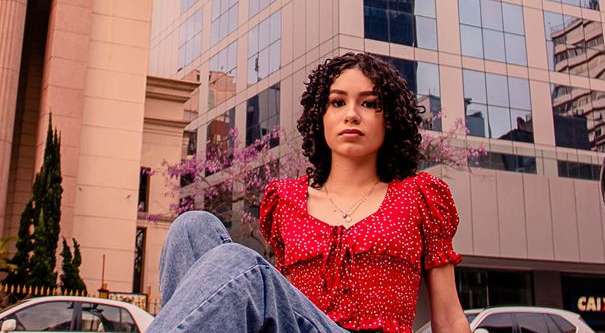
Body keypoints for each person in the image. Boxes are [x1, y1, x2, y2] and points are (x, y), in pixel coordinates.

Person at [150, 52, 471, 333]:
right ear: (322, 116)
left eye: (370, 103)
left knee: (238, 263)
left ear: (390, 119)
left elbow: (449, 317)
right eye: (338, 102)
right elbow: (283, 307)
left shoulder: (419, 196)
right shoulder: (285, 200)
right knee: (191, 228)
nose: (352, 114)